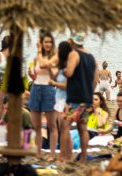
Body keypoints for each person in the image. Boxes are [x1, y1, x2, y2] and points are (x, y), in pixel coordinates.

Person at [64, 33, 98, 163]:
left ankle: (67, 156)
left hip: (74, 98)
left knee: (65, 126)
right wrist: (90, 92)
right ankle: (83, 156)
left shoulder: (74, 54)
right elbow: (95, 79)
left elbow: (69, 72)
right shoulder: (91, 57)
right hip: (87, 98)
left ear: (73, 42)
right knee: (82, 128)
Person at [29, 32, 58, 159]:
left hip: (49, 89)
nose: (48, 44)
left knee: (51, 125)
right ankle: (38, 152)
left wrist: (39, 50)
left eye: (50, 42)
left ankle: (51, 154)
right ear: (42, 42)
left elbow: (52, 73)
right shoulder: (37, 57)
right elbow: (36, 69)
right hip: (36, 88)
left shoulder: (55, 56)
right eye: (45, 42)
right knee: (37, 126)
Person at [49, 41, 71, 162]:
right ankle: (66, 155)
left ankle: (63, 156)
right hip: (59, 98)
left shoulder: (68, 67)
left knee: (63, 128)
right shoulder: (61, 65)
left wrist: (54, 83)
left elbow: (67, 85)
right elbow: (53, 76)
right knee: (62, 128)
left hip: (65, 99)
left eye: (58, 49)